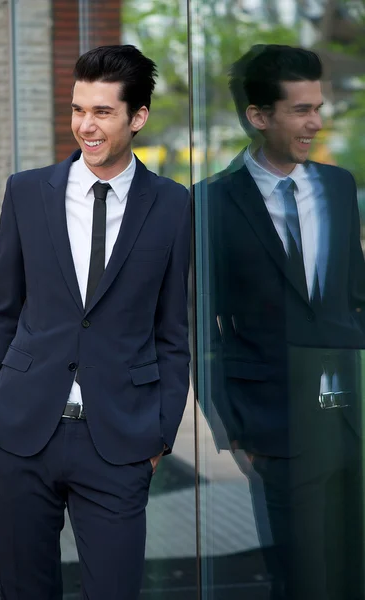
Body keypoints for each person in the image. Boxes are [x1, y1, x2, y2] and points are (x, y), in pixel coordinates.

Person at [0, 44, 191, 600]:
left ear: (137, 117)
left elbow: (173, 331)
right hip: (19, 433)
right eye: (77, 110)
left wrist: (160, 432)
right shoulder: (26, 192)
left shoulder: (173, 205)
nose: (85, 126)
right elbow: (1, 307)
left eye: (103, 112)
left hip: (119, 440)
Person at [202, 45, 365, 600]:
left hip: (353, 418)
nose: (315, 122)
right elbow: (201, 329)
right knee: (301, 579)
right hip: (277, 427)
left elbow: (354, 299)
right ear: (258, 115)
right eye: (301, 110)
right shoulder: (211, 204)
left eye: (318, 108)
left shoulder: (339, 188)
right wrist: (234, 428)